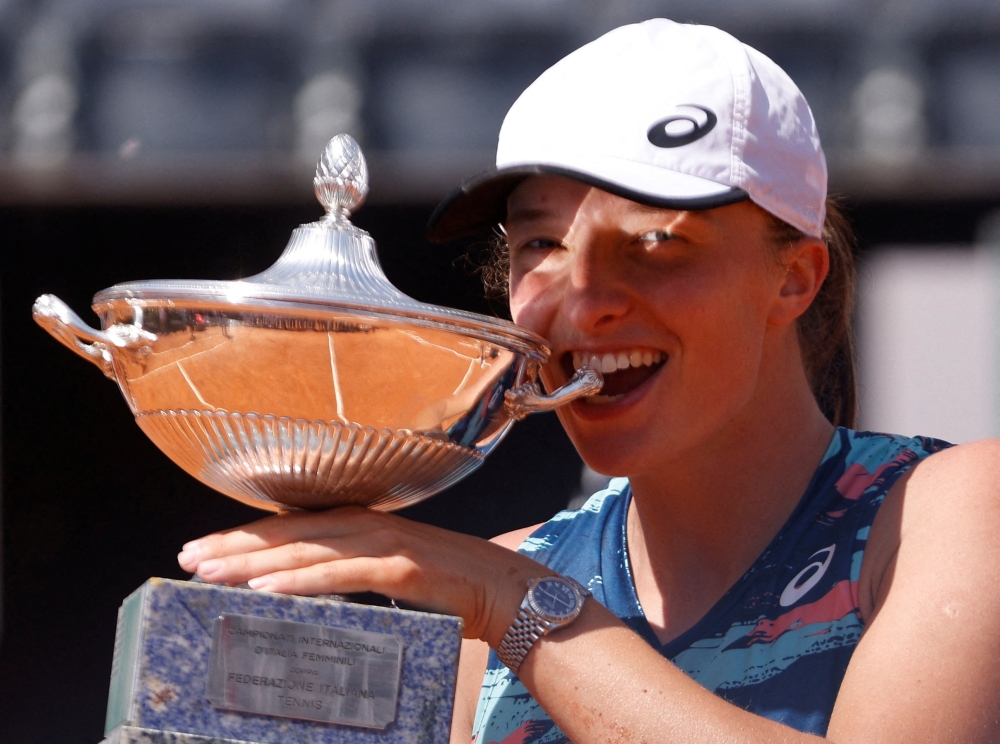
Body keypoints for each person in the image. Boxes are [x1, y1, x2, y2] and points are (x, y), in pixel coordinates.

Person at [177, 19, 1000, 743]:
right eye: (541, 246)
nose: (585, 302)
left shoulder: (953, 511)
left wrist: (523, 608)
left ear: (794, 278)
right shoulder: (493, 594)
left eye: (652, 244)